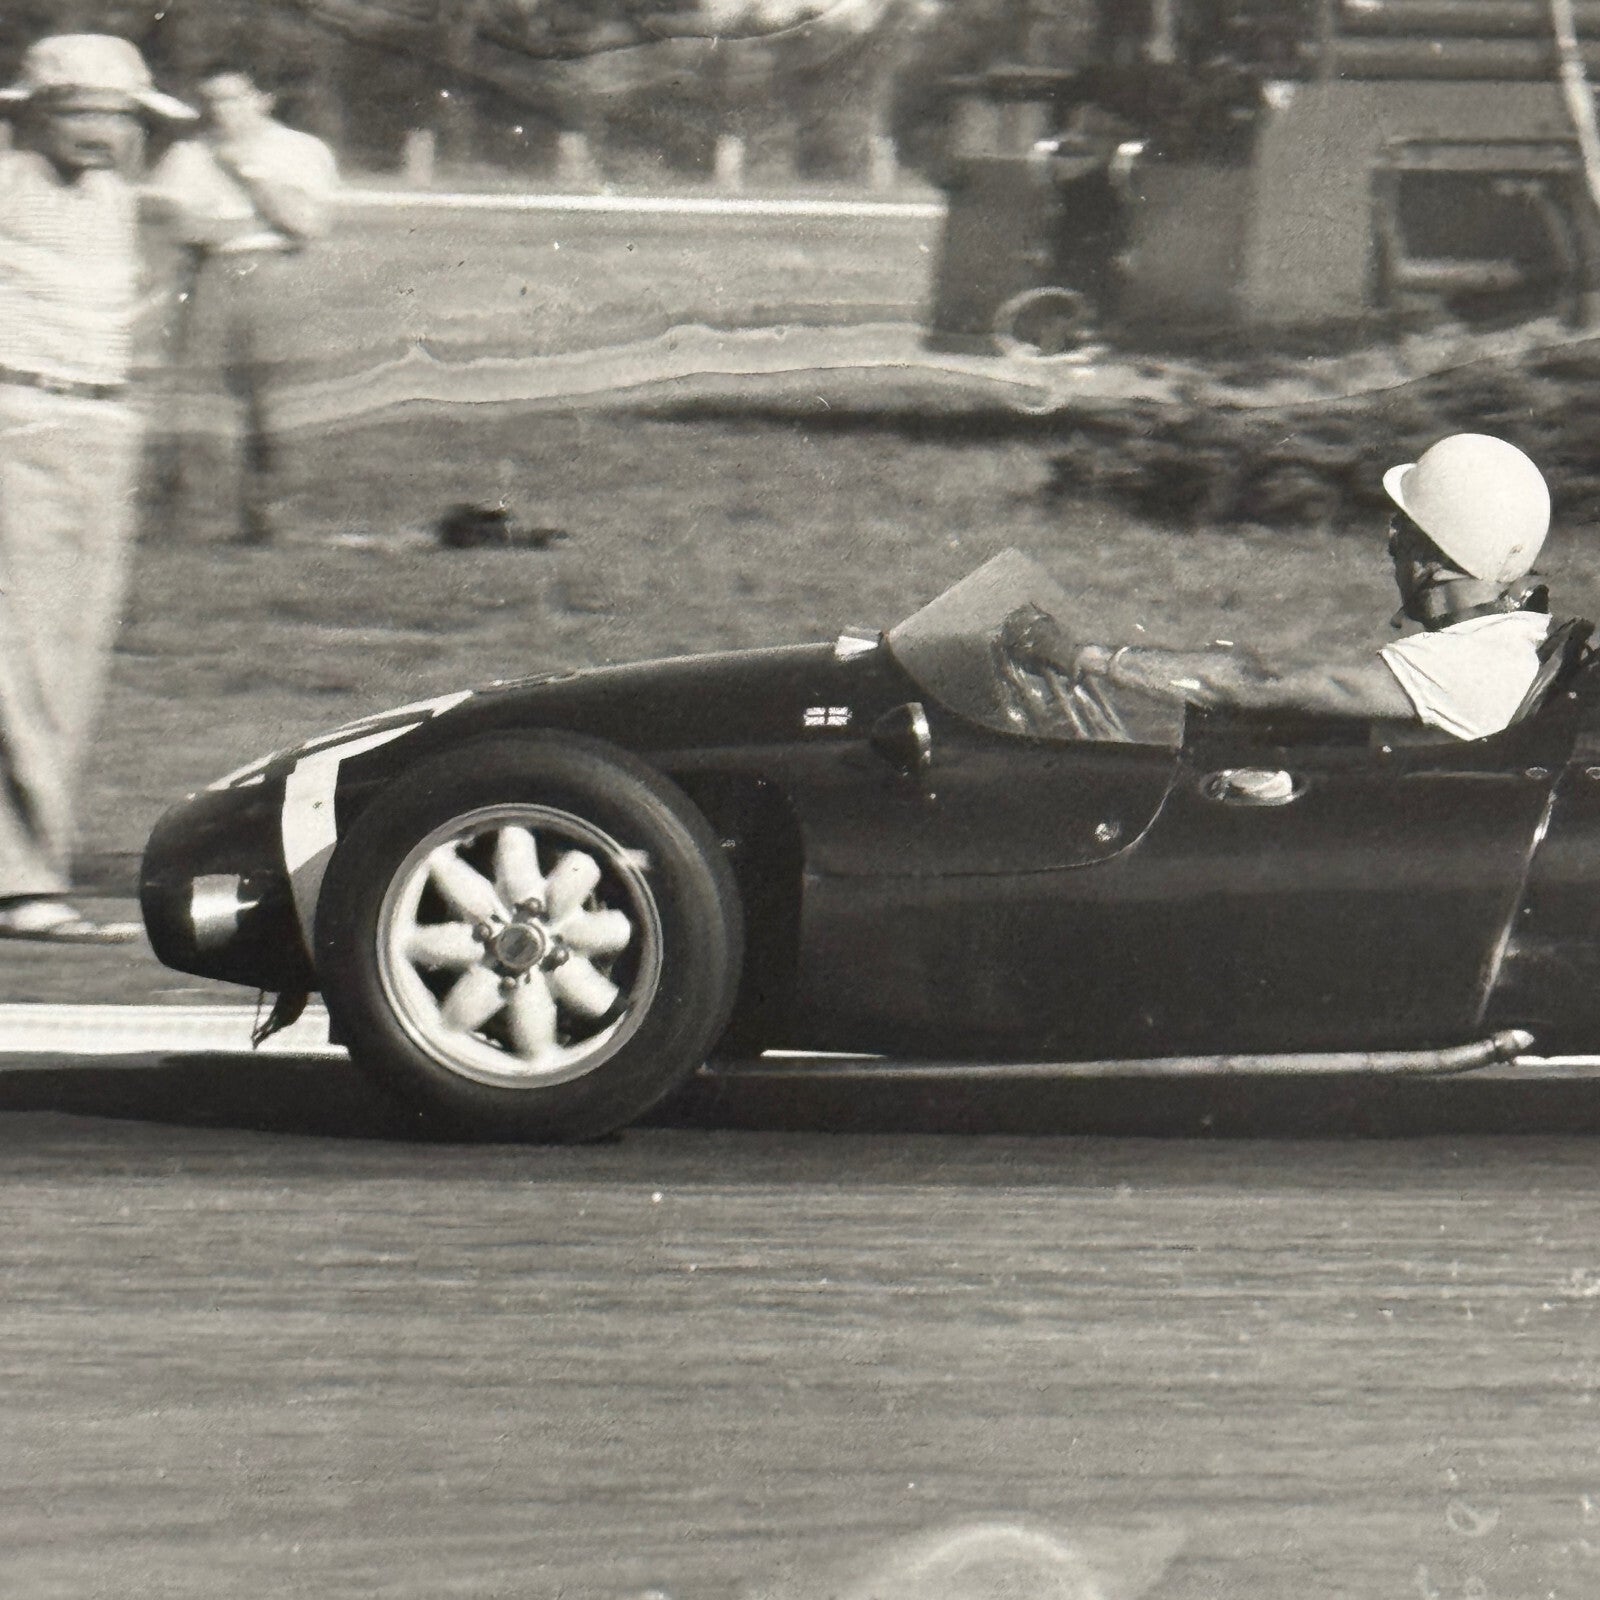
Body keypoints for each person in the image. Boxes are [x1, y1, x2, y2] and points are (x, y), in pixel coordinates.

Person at [0, 35, 196, 943]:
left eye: (117, 113)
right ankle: (20, 884)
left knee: (66, 664)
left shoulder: (121, 202)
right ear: (31, 111)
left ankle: (28, 868)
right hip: (20, 426)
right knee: (25, 662)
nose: (100, 129)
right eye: (78, 109)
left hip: (102, 430)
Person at [1005, 432, 1559, 742]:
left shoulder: (1464, 665)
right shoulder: (1510, 638)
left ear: (1435, 557)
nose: (1390, 540)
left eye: (1403, 532)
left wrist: (1083, 657)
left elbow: (1264, 683)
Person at [144, 60, 338, 544]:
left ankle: (278, 520)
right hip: (210, 275)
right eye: (210, 101)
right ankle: (196, 519)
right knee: (201, 397)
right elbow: (181, 227)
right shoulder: (187, 154)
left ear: (262, 99)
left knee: (278, 398)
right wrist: (257, 224)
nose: (220, 111)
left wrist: (247, 175)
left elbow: (306, 224)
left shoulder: (300, 150)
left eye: (231, 98)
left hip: (277, 277)